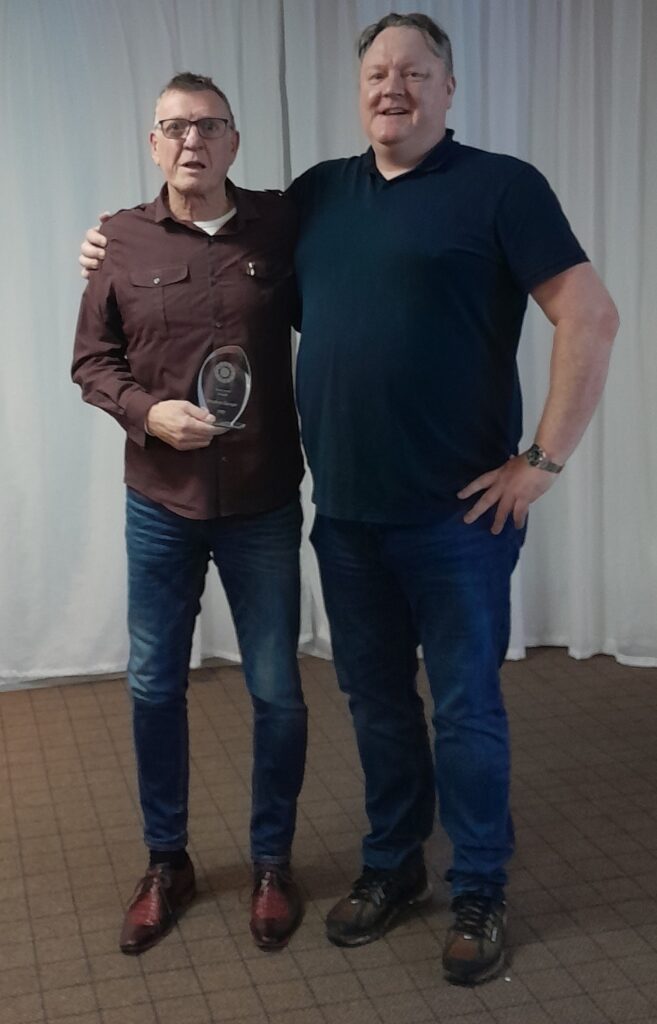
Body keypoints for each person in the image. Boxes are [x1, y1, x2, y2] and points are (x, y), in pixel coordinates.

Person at [79, 13, 619, 985]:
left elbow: (589, 311)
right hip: (345, 517)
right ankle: (393, 864)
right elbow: (152, 303)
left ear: (448, 91)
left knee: (462, 709)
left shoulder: (495, 188)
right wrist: (106, 251)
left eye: (415, 72)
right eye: (378, 72)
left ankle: (480, 889)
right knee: (373, 706)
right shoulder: (320, 197)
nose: (393, 87)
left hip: (452, 516)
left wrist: (543, 457)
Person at [72, 72, 307, 956]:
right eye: (173, 127)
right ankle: (166, 861)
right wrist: (145, 413)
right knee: (151, 684)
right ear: (153, 143)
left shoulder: (284, 224)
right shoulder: (120, 242)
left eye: (208, 126)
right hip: (160, 504)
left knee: (277, 690)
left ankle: (272, 862)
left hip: (261, 502)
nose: (190, 142)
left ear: (235, 142)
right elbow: (92, 362)